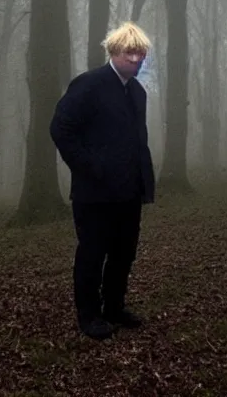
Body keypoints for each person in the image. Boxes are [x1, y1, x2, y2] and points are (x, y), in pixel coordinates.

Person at [49, 21, 156, 340]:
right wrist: (91, 167)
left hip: (129, 191)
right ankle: (89, 316)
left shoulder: (137, 92)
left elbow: (137, 140)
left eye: (141, 54)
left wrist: (143, 179)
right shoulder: (89, 84)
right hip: (94, 194)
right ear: (113, 52)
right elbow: (61, 129)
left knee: (124, 253)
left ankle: (114, 307)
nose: (136, 60)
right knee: (92, 254)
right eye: (130, 53)